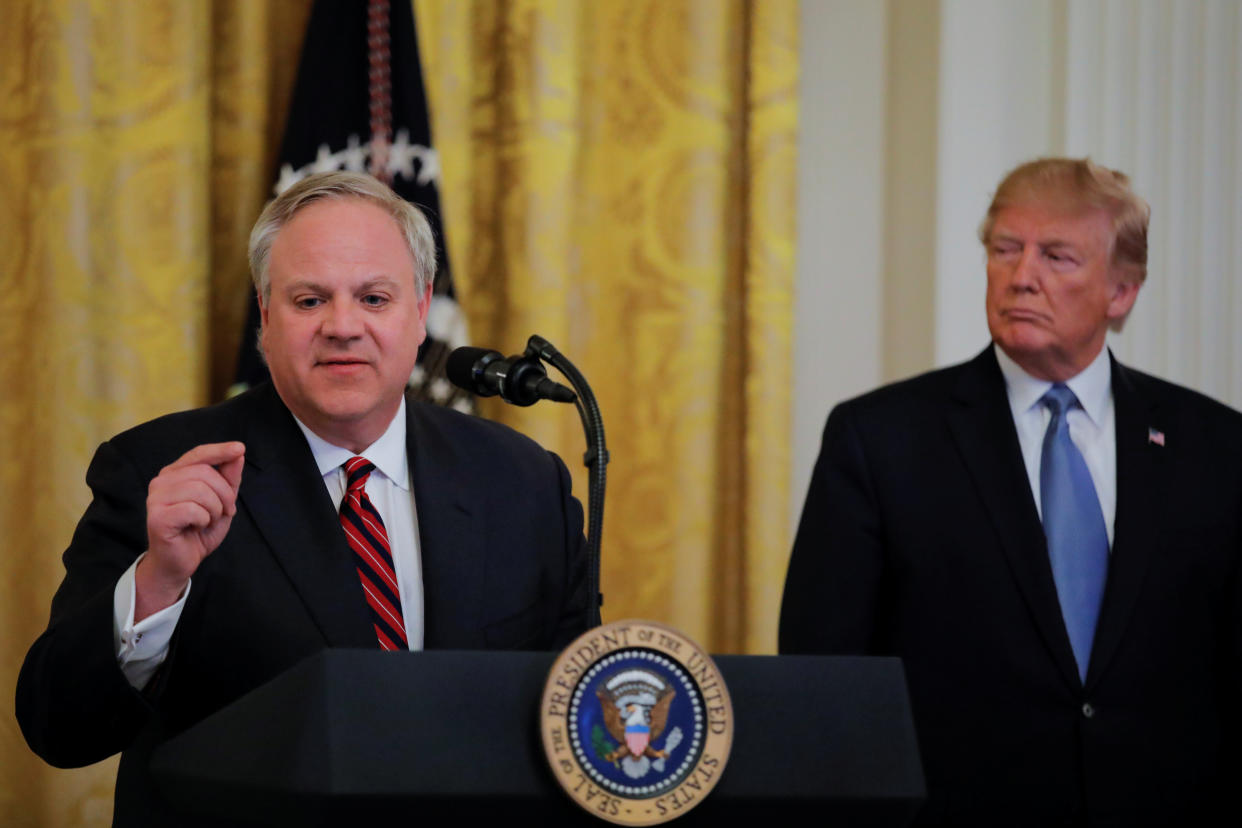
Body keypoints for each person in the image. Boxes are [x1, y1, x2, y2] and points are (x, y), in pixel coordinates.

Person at [17, 171, 591, 824]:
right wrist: (158, 583)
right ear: (265, 313)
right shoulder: (157, 471)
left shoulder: (521, 481)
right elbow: (58, 728)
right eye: (309, 300)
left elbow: (577, 724)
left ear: (421, 308)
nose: (342, 327)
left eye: (374, 298)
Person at [780, 158, 1242, 827]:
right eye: (1005, 250)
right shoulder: (881, 440)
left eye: (1057, 256)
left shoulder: (1215, 447)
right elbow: (823, 680)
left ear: (1121, 292)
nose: (1022, 275)